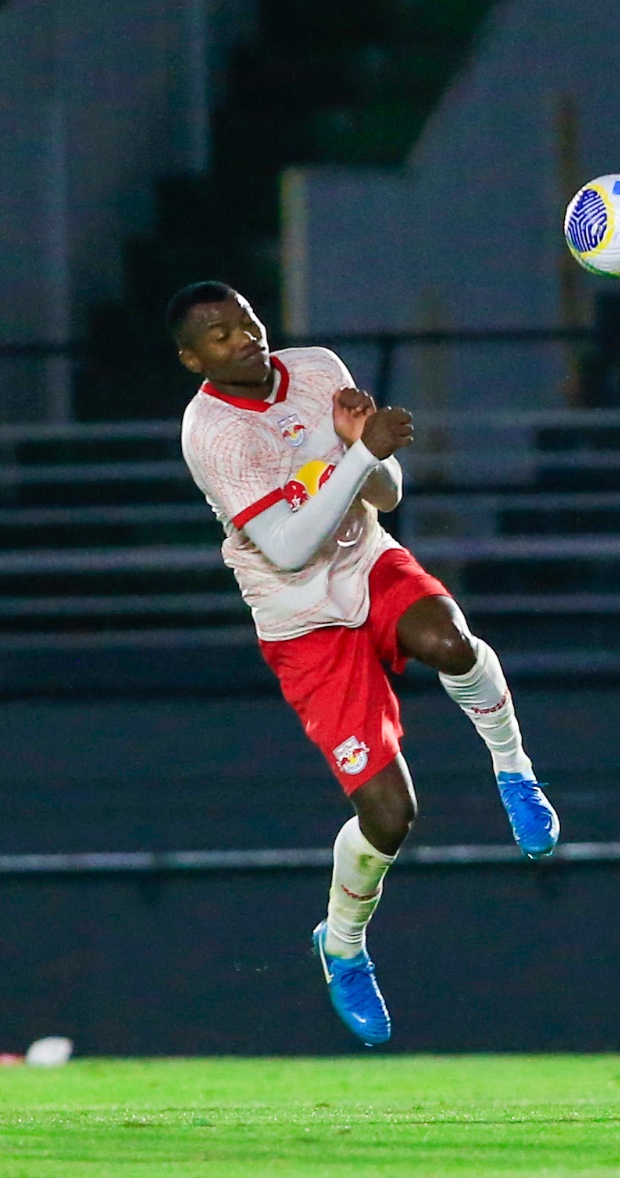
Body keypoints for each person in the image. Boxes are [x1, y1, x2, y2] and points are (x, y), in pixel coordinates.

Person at [172, 282, 559, 1047]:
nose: (244, 337)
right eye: (219, 335)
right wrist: (359, 454)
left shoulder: (315, 368)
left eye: (246, 321)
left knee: (451, 641)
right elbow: (286, 547)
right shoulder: (213, 433)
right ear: (193, 360)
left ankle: (513, 768)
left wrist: (362, 451)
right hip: (301, 618)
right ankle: (342, 945)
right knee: (390, 816)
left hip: (366, 560)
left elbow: (383, 495)